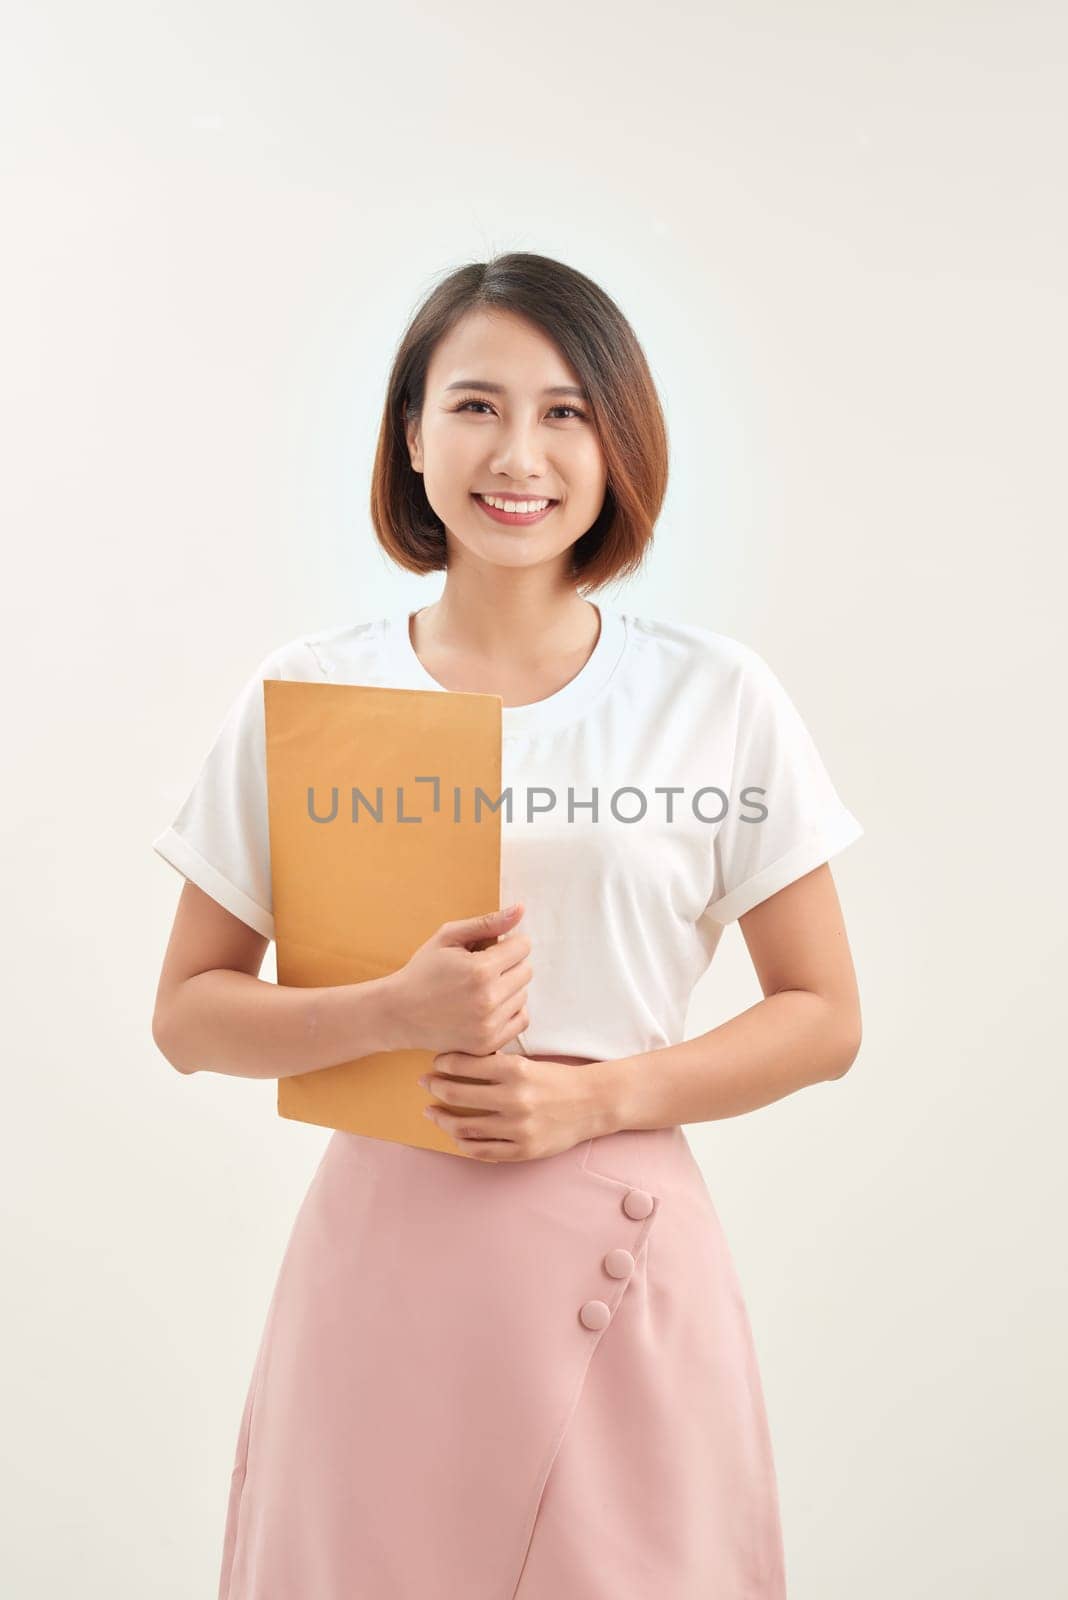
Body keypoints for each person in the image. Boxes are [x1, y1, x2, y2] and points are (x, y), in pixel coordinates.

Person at [151, 251, 864, 1599]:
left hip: (623, 1252)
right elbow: (187, 1012)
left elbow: (825, 1015)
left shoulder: (712, 696)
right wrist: (387, 1014)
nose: (517, 453)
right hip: (382, 1270)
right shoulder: (312, 692)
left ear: (618, 443)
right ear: (411, 436)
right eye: (475, 406)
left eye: (565, 412)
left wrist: (601, 1104)